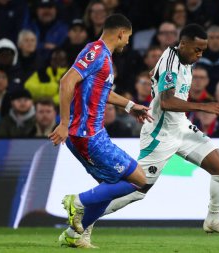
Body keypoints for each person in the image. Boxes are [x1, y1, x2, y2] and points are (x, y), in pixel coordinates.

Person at [100, 23, 219, 238]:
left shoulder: (183, 57)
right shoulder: (171, 61)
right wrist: (204, 106)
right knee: (138, 189)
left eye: (203, 50)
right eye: (197, 49)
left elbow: (159, 75)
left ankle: (213, 220)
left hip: (181, 127)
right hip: (160, 133)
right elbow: (166, 102)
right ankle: (85, 214)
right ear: (183, 44)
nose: (200, 55)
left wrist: (156, 74)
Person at [48, 14, 152, 248]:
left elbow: (102, 91)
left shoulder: (103, 56)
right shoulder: (95, 52)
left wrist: (129, 105)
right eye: (128, 38)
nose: (128, 42)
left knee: (108, 190)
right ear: (121, 33)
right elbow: (66, 82)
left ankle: (75, 236)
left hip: (92, 133)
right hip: (87, 135)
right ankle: (78, 201)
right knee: (139, 180)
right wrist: (64, 123)